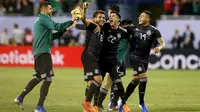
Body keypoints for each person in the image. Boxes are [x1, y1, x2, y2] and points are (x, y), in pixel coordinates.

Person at [14, 2, 79, 112]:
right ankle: (39, 107)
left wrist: (67, 27)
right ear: (43, 10)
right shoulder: (44, 17)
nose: (52, 10)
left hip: (39, 51)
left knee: (39, 77)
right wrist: (71, 21)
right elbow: (56, 26)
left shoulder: (39, 20)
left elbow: (52, 35)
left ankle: (20, 97)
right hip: (43, 52)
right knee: (48, 78)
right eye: (50, 8)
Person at [122, 10, 166, 112]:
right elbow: (120, 31)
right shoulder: (133, 28)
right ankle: (142, 104)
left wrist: (159, 48)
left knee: (136, 80)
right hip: (134, 56)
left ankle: (122, 102)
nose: (139, 18)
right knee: (144, 78)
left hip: (145, 58)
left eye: (142, 16)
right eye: (139, 16)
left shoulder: (154, 30)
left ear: (148, 19)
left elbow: (163, 43)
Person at [97, 11, 130, 112]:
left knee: (114, 82)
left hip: (116, 61)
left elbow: (133, 38)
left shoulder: (124, 33)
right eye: (109, 16)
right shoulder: (106, 26)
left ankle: (118, 104)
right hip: (105, 60)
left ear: (118, 19)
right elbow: (94, 24)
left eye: (113, 16)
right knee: (103, 82)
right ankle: (97, 104)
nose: (110, 17)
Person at [80, 2, 106, 112]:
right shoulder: (93, 25)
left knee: (91, 83)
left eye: (104, 17)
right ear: (94, 18)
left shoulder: (102, 29)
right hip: (89, 55)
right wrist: (84, 9)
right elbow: (83, 20)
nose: (102, 19)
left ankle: (87, 108)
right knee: (99, 79)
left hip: (92, 56)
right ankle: (86, 102)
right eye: (100, 17)